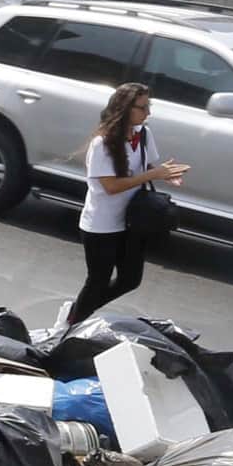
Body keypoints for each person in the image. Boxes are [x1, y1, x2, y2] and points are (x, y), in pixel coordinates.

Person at [72, 81, 185, 323]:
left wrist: (167, 174)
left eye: (148, 106)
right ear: (125, 108)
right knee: (98, 280)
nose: (148, 113)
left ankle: (81, 311)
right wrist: (154, 175)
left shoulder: (144, 134)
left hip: (130, 222)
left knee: (130, 279)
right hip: (101, 226)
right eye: (142, 108)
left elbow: (148, 165)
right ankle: (71, 323)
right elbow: (111, 186)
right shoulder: (102, 144)